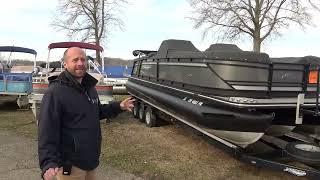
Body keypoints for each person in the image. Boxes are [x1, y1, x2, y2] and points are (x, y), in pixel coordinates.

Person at [38, 47, 134, 180]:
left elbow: (97, 112)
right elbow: (47, 129)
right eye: (75, 60)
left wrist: (119, 106)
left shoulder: (89, 87)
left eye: (83, 59)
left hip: (90, 159)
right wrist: (48, 162)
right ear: (65, 64)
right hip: (70, 164)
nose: (80, 63)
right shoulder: (55, 92)